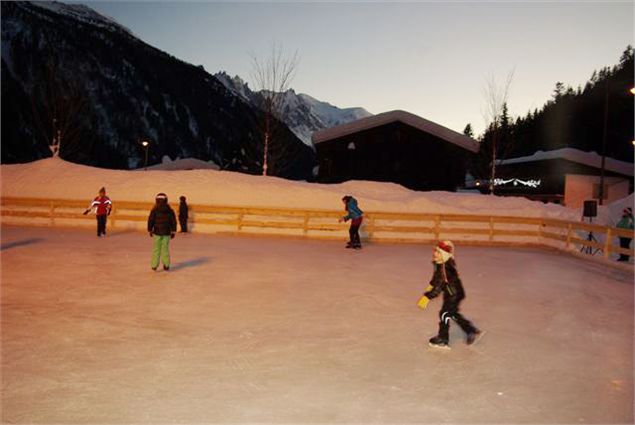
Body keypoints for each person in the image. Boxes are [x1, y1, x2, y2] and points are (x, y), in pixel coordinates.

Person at [418, 241, 481, 349]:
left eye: (438, 252)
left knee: (444, 314)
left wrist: (427, 296)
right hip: (453, 292)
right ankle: (470, 330)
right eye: (435, 251)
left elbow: (439, 285)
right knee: (452, 313)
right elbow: (436, 279)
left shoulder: (444, 268)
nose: (435, 254)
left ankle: (443, 338)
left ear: (444, 255)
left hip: (454, 295)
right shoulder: (440, 264)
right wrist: (430, 285)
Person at [147, 193, 177, 271]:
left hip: (157, 232)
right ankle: (166, 265)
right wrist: (173, 231)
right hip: (166, 233)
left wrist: (150, 229)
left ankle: (154, 265)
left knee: (156, 249)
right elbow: (173, 221)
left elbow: (151, 220)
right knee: (165, 249)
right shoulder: (170, 210)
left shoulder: (154, 210)